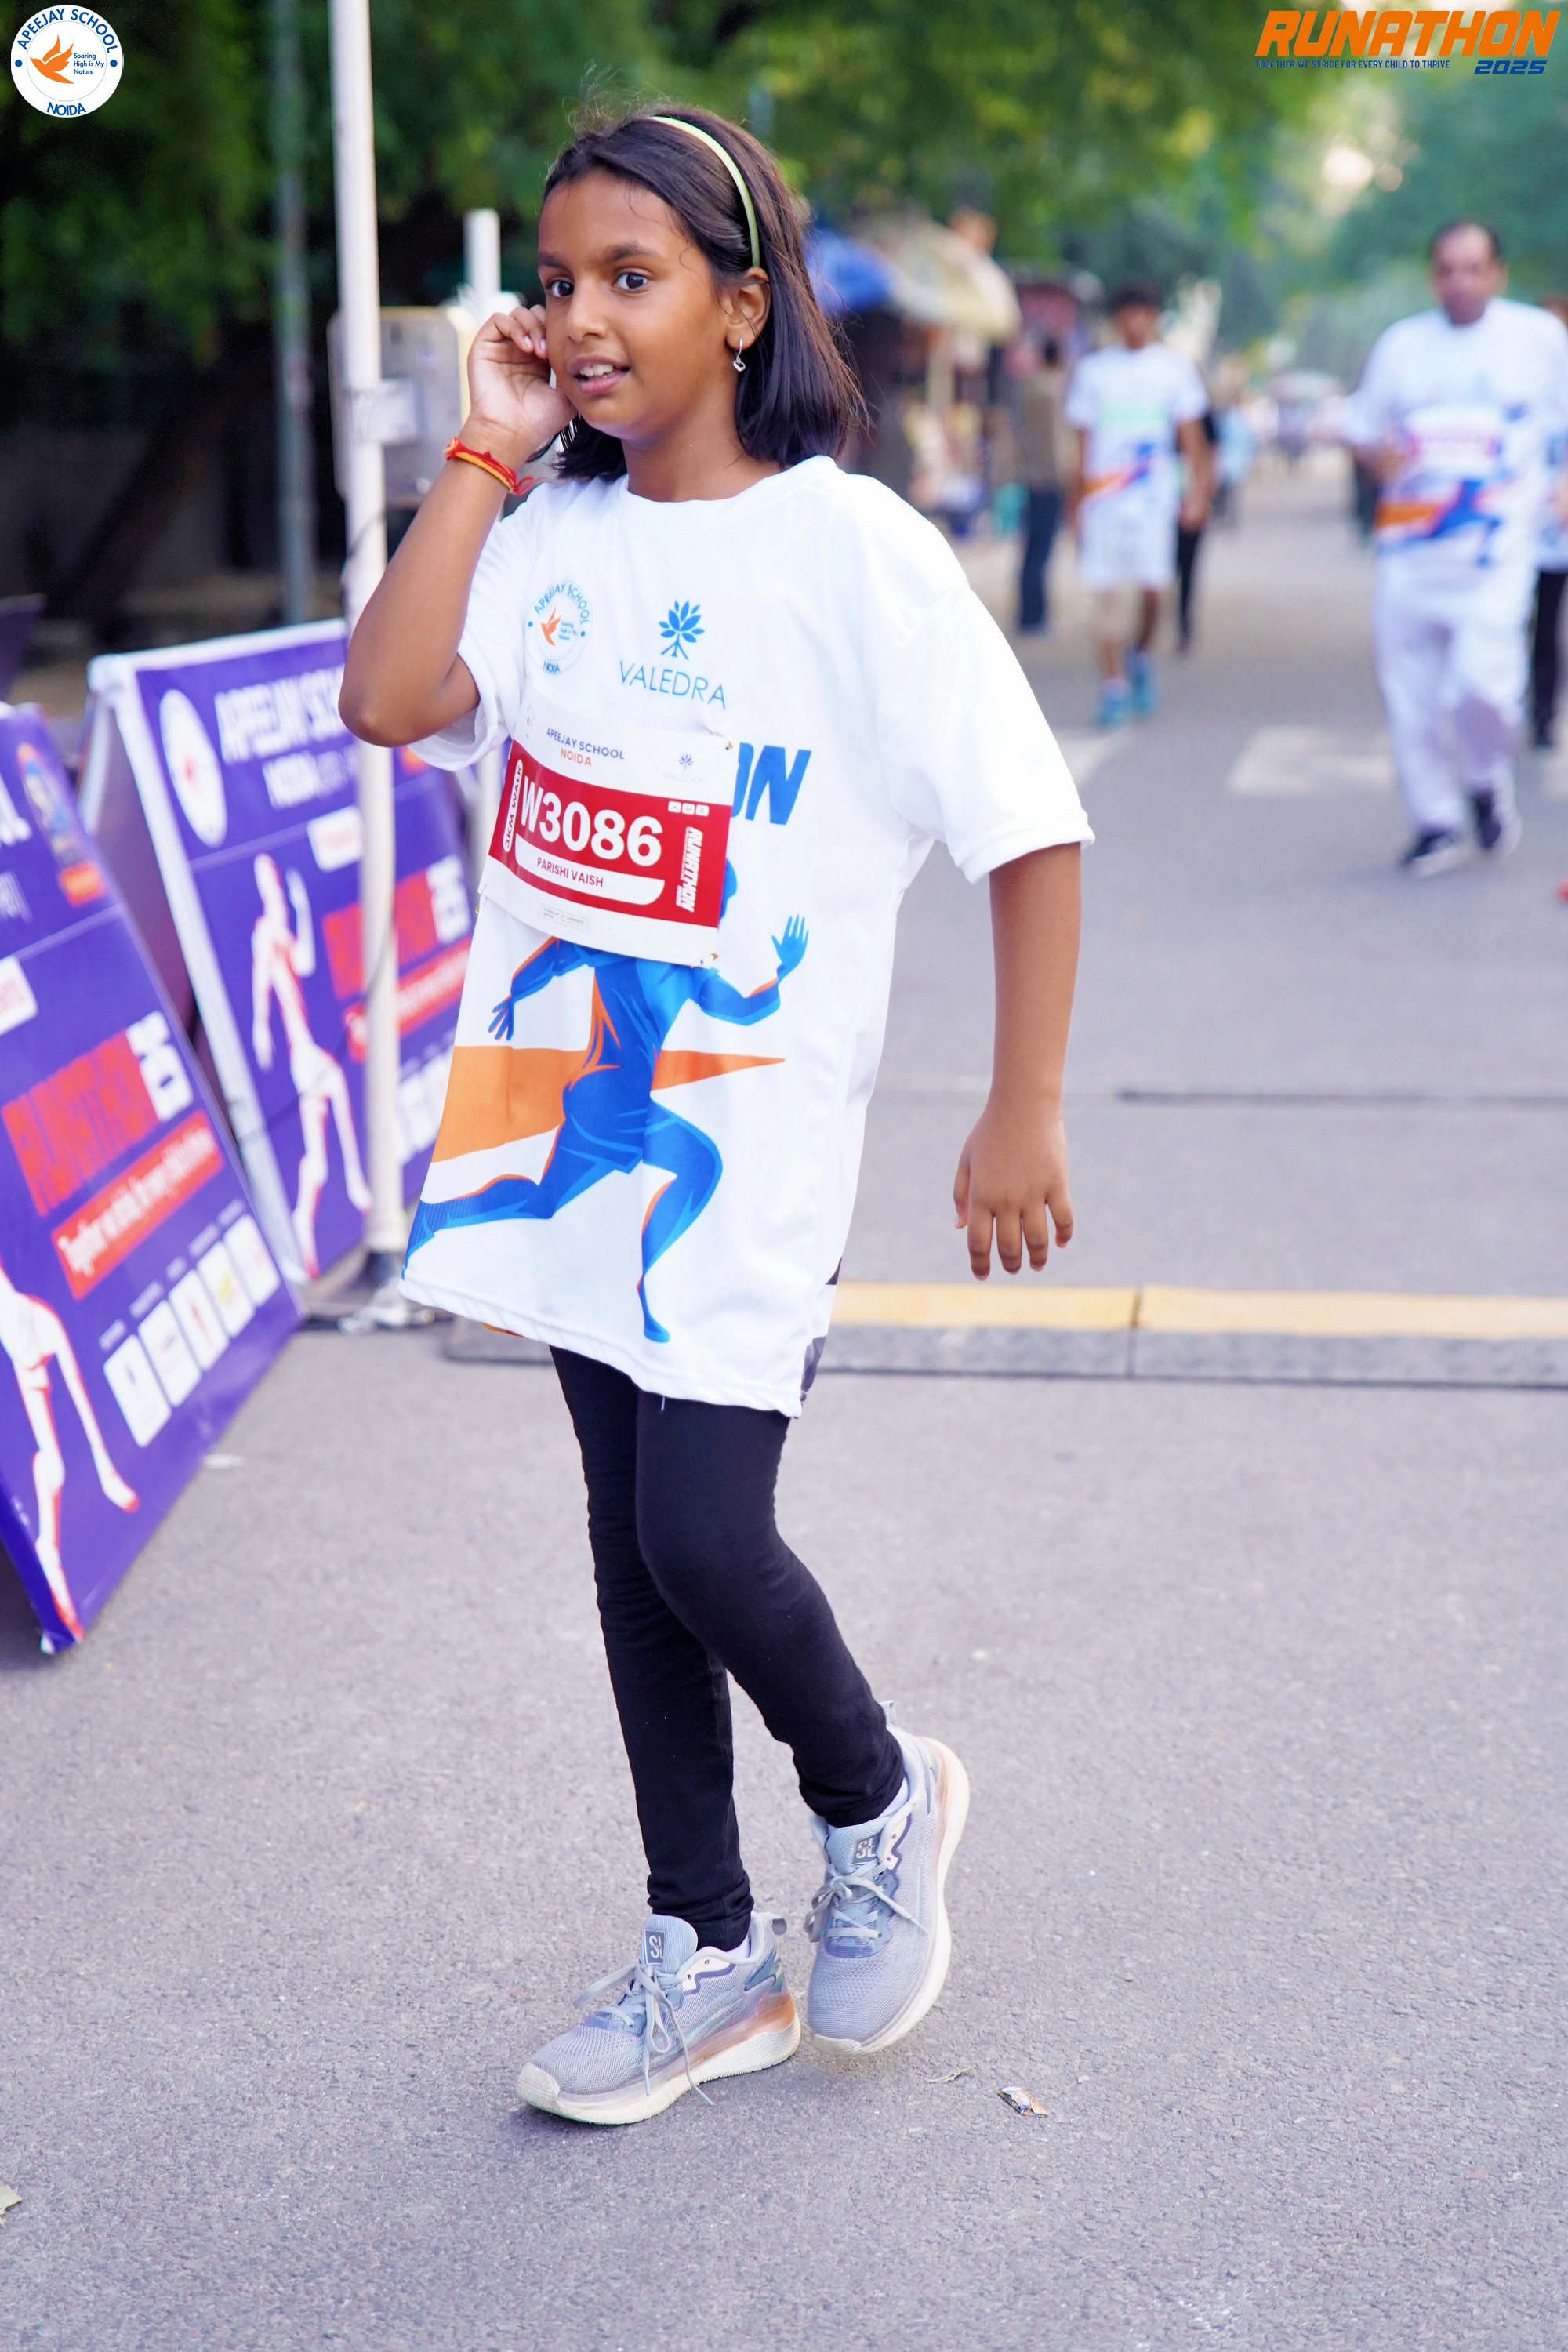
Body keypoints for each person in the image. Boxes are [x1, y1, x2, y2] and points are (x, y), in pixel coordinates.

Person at [339, 105, 1088, 2129]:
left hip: (745, 1140)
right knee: (625, 1543)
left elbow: (1027, 826)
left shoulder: (852, 549)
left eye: (633, 278)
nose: (582, 318)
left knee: (700, 1527)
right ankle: (707, 1951)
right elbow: (388, 702)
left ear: (744, 309)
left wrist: (1021, 1107)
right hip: (552, 1118)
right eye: (558, 283)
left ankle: (873, 1795)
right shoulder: (542, 534)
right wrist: (481, 455)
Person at [1345, 223, 1568, 877]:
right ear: (1432, 276)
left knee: (1484, 689)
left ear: (1498, 274)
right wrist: (1375, 458)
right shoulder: (1401, 346)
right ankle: (1435, 822)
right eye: (1447, 270)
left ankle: (1484, 779)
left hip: (1495, 557)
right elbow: (1363, 430)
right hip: (1410, 555)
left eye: (1473, 269)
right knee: (1411, 699)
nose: (1460, 282)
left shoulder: (1538, 339)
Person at [1064, 280, 1211, 726]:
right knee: (1105, 598)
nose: (1135, 322)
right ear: (1117, 318)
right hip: (1104, 499)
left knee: (1153, 591)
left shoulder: (1173, 370)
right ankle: (1113, 687)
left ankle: (1142, 655)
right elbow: (1081, 444)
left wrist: (1198, 493)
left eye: (1143, 313)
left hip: (1153, 501)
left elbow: (1193, 438)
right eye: (1127, 312)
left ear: (1154, 318)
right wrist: (1076, 505)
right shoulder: (1094, 372)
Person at [0, 1249, 139, 1642]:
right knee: (53, 1464)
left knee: (61, 1434)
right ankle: (48, 1549)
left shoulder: (39, 1321)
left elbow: (78, 1392)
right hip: (19, 1333)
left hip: (24, 1322)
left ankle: (102, 1471)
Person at [250, 851, 372, 1277]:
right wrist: (260, 1024)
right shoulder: (266, 933)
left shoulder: (282, 933)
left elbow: (305, 961)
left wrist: (302, 910)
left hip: (303, 1045)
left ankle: (304, 1216)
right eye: (270, 884)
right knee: (335, 1081)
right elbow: (262, 980)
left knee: (317, 1162)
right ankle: (354, 1180)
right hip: (299, 1048)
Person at [1529, 296, 1568, 756]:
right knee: (1527, 623)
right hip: (1519, 535)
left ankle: (1543, 712)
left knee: (1547, 625)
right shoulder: (1515, 386)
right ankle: (1531, 707)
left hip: (1557, 535)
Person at [1011, 336, 1067, 633]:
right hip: (1048, 478)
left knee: (1031, 548)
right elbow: (1057, 439)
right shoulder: (1054, 391)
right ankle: (1036, 615)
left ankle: (1029, 613)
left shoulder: (1029, 388)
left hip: (1029, 476)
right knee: (1042, 550)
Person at [1174, 406, 1221, 652]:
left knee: (1187, 567)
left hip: (1191, 499)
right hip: (1155, 504)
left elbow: (1212, 453)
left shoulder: (1199, 411)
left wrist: (1203, 496)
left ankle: (1184, 624)